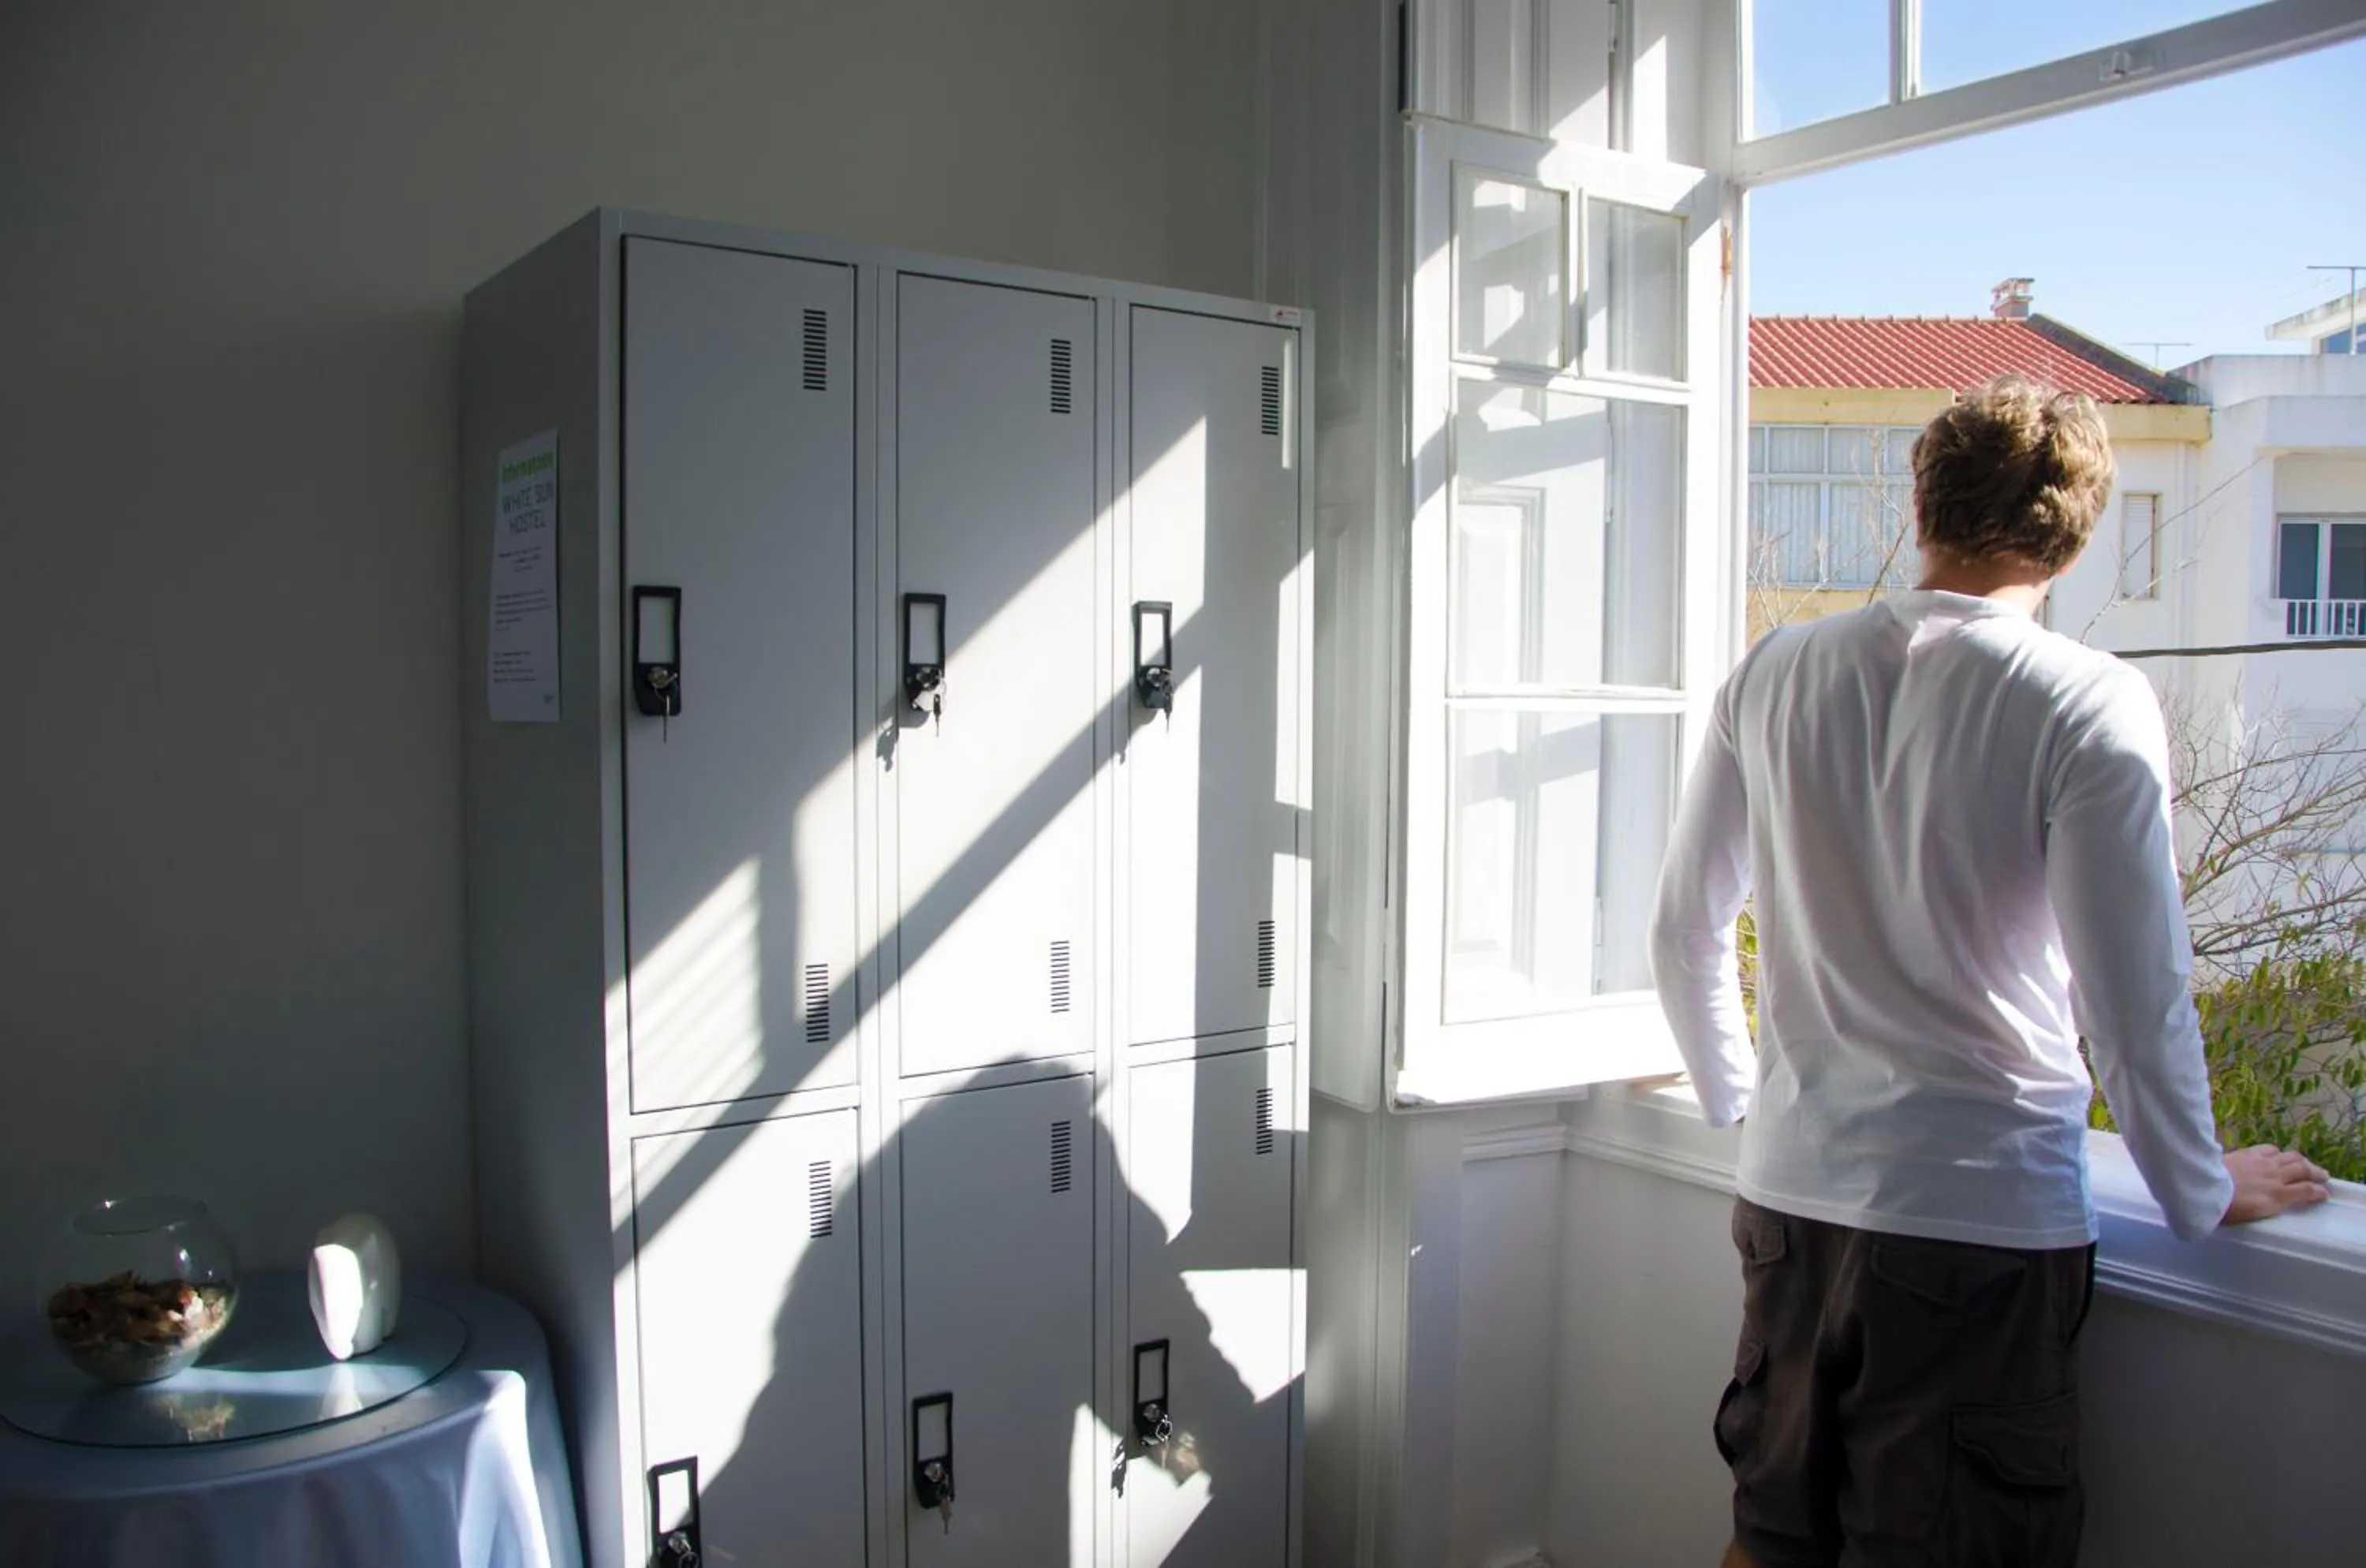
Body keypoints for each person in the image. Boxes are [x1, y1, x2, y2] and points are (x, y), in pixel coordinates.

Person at [1648, 375, 2332, 1568]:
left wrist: (1741, 1108)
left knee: (1769, 1539)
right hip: (1975, 1226)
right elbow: (2134, 996)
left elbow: (1682, 931)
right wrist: (2199, 1188)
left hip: (1793, 1202)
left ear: (1923, 503)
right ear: (2071, 534)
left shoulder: (1776, 671)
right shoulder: (2084, 699)